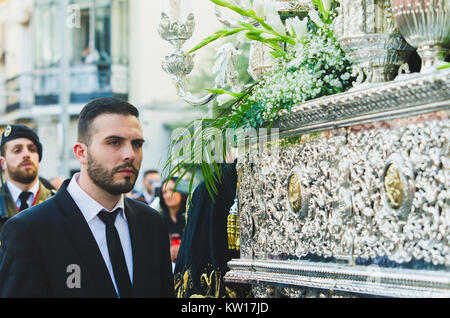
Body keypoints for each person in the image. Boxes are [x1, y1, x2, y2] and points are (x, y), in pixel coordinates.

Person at [0, 98, 174, 298]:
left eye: (137, 143)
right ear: (81, 153)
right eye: (114, 142)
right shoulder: (29, 230)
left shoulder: (152, 223)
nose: (130, 154)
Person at [0, 124, 55, 235]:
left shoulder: (58, 203)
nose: (26, 154)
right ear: (3, 163)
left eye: (32, 149)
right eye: (17, 150)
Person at [159, 177, 187, 267]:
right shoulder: (158, 218)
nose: (168, 195)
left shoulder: (190, 216)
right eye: (164, 192)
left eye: (172, 190)